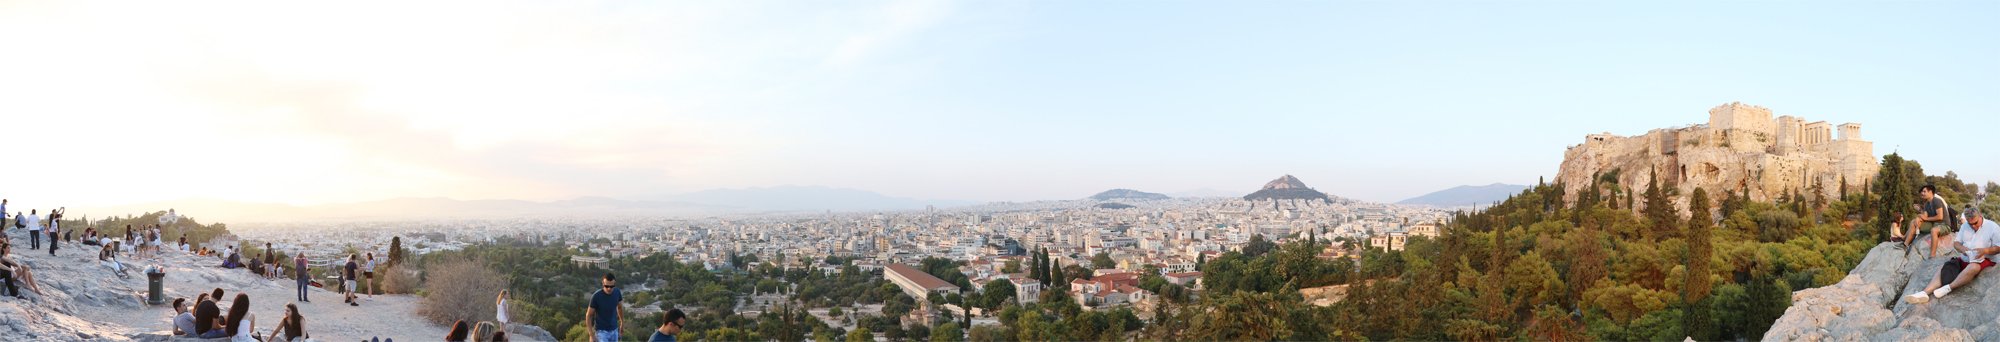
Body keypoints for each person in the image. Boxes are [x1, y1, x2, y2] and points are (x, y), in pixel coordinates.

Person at [1908, 207, 2000, 303]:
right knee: (1944, 267)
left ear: (1980, 217)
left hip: (1984, 260)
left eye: (1975, 223)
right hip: (1966, 258)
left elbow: (1999, 248)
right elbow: (1957, 243)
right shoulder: (1965, 226)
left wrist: (1985, 250)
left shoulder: (1993, 227)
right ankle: (1925, 293)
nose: (1973, 226)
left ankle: (1948, 288)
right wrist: (1962, 249)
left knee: (1973, 267)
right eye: (1970, 224)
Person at [1915, 185, 1954, 258]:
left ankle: (1932, 255)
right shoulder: (1927, 204)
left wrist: (1925, 219)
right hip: (1933, 224)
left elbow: (1940, 216)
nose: (1922, 193)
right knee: (1914, 222)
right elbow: (1925, 216)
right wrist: (1919, 218)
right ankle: (1905, 243)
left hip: (1944, 225)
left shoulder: (1936, 200)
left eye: (1924, 191)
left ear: (1930, 192)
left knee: (1934, 230)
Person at [586, 273, 624, 342]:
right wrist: (591, 335)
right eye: (606, 286)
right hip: (601, 331)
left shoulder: (617, 292)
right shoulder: (596, 296)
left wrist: (622, 323)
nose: (609, 288)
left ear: (614, 283)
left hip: (614, 330)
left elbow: (620, 308)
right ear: (603, 283)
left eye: (611, 286)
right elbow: (588, 315)